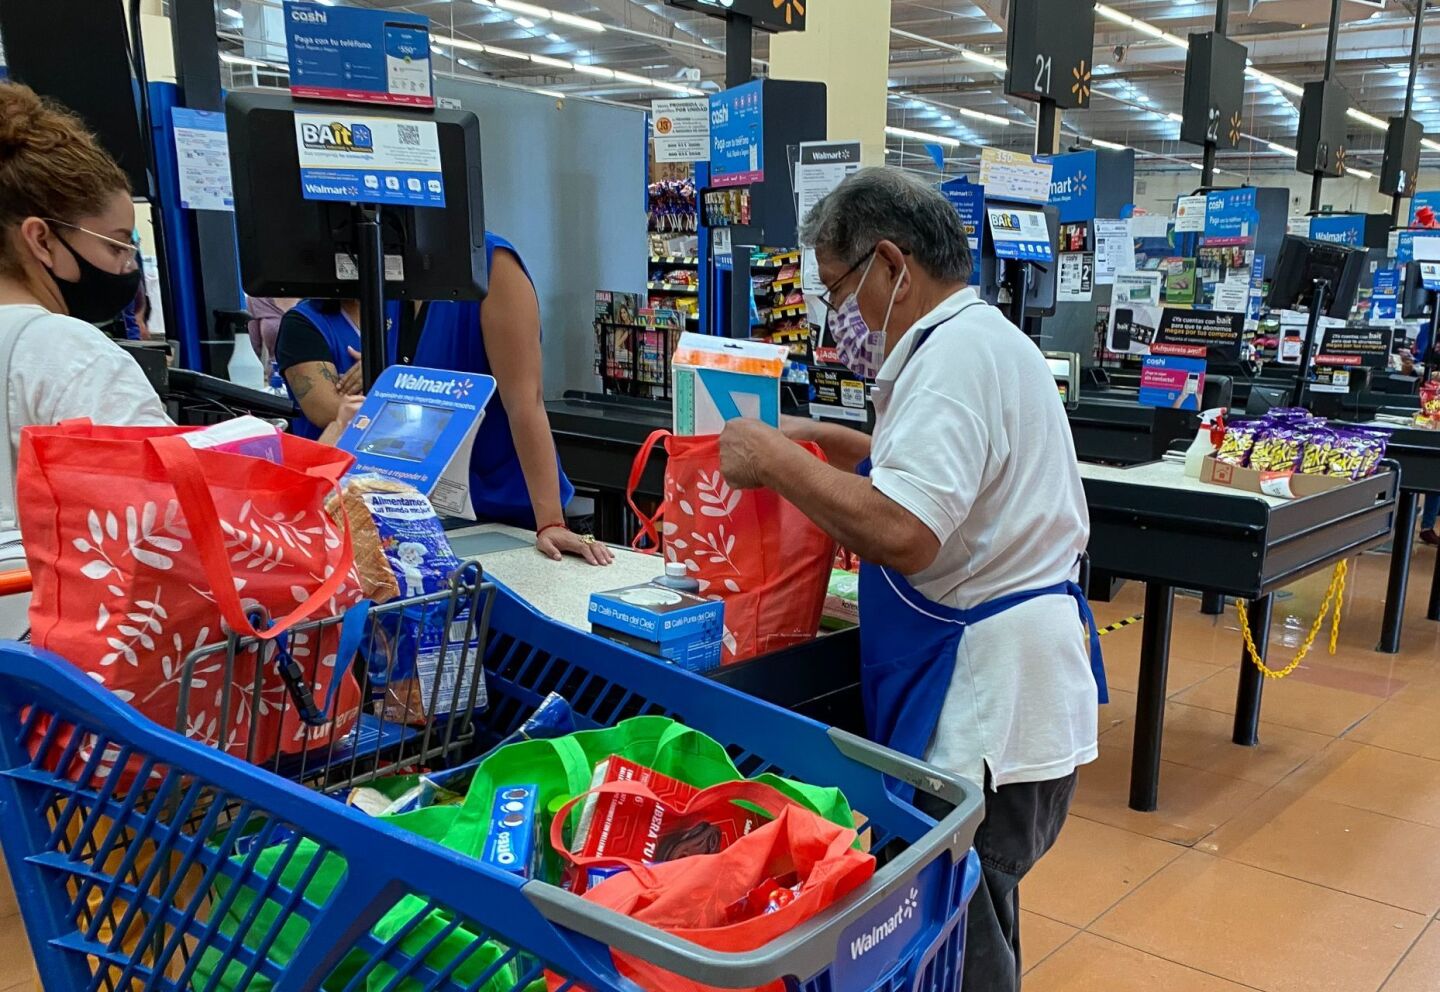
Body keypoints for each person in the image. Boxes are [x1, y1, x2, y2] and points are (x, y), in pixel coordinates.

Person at [716, 168, 1104, 992]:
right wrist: (820, 433)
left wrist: (774, 459)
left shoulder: (955, 358)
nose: (840, 319)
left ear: (892, 264)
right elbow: (935, 480)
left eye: (840, 289)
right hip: (1019, 694)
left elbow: (906, 529)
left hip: (988, 713)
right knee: (979, 913)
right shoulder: (984, 341)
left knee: (963, 935)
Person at [276, 234, 612, 565]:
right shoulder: (396, 278)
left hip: (508, 515)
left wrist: (550, 522)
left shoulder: (491, 265)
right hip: (430, 517)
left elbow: (525, 402)